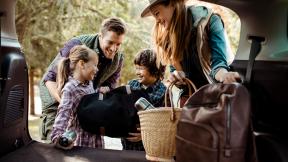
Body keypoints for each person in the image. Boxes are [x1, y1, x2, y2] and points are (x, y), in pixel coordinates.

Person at [39, 17, 126, 142]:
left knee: (82, 144)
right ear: (100, 36)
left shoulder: (118, 60)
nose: (113, 48)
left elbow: (109, 88)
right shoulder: (77, 44)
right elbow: (49, 79)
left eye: (118, 44)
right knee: (56, 145)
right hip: (57, 97)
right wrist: (69, 105)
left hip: (84, 102)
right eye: (110, 42)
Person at [140, 0, 241, 89]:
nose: (157, 21)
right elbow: (175, 71)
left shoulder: (210, 21)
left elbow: (219, 64)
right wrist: (176, 76)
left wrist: (224, 75)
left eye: (157, 13)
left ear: (172, 3)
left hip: (215, 93)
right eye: (154, 17)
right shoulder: (167, 40)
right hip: (191, 98)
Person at [51, 45, 102, 149]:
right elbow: (63, 113)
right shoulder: (70, 88)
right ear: (82, 64)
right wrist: (57, 137)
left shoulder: (89, 84)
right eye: (95, 65)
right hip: (81, 142)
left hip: (95, 139)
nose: (97, 69)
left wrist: (100, 91)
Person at [121, 49, 166, 151]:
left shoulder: (164, 93)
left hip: (147, 148)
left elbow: (164, 124)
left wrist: (145, 134)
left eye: (141, 68)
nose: (137, 72)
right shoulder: (131, 85)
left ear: (154, 68)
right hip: (126, 146)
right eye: (136, 68)